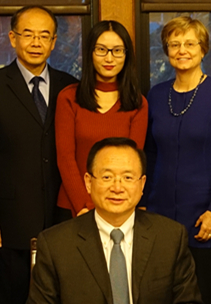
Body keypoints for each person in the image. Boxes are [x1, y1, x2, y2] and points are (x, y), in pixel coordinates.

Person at [0, 5, 78, 304]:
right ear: (12, 38)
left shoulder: (70, 86)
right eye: (28, 34)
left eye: (44, 35)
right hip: (9, 223)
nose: (36, 42)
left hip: (60, 218)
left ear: (54, 42)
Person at [22, 138, 206, 304]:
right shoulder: (55, 244)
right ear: (88, 182)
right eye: (107, 177)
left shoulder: (170, 237)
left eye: (128, 178)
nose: (117, 188)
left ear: (142, 184)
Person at [144, 16, 211, 304]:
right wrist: (143, 203)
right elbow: (150, 153)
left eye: (189, 43)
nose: (181, 50)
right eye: (174, 44)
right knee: (160, 302)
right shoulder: (156, 95)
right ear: (166, 50)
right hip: (159, 216)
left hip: (204, 218)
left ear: (203, 49)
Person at [55, 20, 147, 222]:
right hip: (74, 207)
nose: (109, 58)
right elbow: (65, 158)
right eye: (101, 50)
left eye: (117, 51)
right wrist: (85, 206)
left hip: (118, 206)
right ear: (90, 53)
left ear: (126, 55)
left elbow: (131, 164)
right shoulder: (69, 98)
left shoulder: (137, 103)